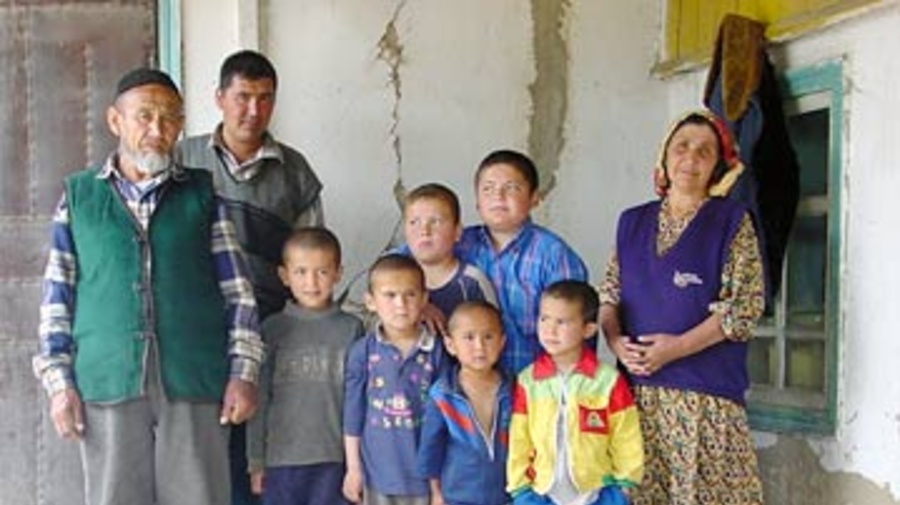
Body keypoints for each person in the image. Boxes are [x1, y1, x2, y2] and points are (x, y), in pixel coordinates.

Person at [32, 68, 264, 505]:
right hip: (108, 381)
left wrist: (243, 372)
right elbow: (57, 298)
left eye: (169, 117)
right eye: (144, 116)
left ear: (180, 125)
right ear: (115, 121)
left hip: (194, 380)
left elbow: (238, 293)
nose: (157, 129)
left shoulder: (202, 195)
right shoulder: (79, 198)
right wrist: (59, 384)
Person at [175, 49, 323, 505]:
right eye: (242, 97)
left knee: (257, 459)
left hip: (269, 335)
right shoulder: (183, 159)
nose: (253, 110)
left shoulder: (295, 172)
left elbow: (312, 259)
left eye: (265, 98)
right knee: (199, 460)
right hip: (194, 334)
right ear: (219, 98)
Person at [599, 110, 766, 504]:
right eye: (682, 147)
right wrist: (616, 342)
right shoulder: (632, 222)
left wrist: (676, 348)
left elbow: (743, 308)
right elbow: (609, 296)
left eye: (705, 151)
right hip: (637, 399)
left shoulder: (731, 221)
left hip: (705, 401)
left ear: (717, 166)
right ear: (665, 155)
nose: (691, 158)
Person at [247, 227, 364, 505]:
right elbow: (259, 399)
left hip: (335, 459)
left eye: (322, 271)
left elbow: (358, 401)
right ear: (284, 275)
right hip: (281, 461)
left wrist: (357, 463)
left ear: (338, 273)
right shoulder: (272, 329)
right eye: (300, 272)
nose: (311, 282)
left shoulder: (352, 329)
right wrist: (256, 460)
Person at [508, 280, 643, 505]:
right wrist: (519, 488)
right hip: (542, 493)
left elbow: (626, 435)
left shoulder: (608, 381)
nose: (550, 329)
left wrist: (624, 486)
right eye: (544, 318)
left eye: (561, 322)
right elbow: (519, 439)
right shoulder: (528, 381)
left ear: (588, 329)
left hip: (597, 492)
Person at [456, 149, 589, 374]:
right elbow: (397, 270)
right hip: (468, 388)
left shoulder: (554, 256)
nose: (498, 196)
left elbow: (576, 336)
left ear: (534, 198)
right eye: (488, 189)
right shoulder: (457, 244)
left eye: (511, 188)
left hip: (536, 387)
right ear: (477, 200)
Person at [343, 254, 446, 505]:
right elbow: (353, 415)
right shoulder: (363, 352)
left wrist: (438, 485)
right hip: (377, 477)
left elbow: (445, 419)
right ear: (370, 301)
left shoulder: (436, 351)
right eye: (389, 295)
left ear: (424, 298)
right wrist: (353, 469)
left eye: (410, 294)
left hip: (424, 479)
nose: (400, 304)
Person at [417, 301, 512, 505]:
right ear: (450, 345)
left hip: (508, 495)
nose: (479, 346)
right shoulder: (443, 395)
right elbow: (431, 448)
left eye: (488, 337)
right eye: (469, 337)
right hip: (458, 497)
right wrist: (436, 493)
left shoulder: (514, 390)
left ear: (502, 342)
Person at [403, 183, 497, 329]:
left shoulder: (472, 282)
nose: (424, 231)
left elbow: (492, 332)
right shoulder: (395, 279)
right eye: (414, 222)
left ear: (457, 231)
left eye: (435, 222)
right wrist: (417, 307)